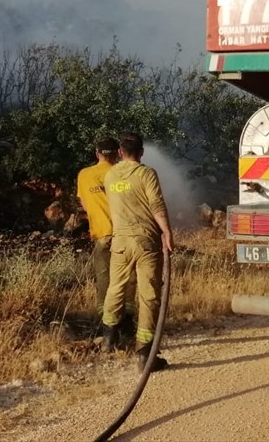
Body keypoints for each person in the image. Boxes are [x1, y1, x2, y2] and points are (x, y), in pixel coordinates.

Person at [99, 132, 174, 371]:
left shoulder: (110, 175)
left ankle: (108, 339)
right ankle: (144, 354)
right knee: (149, 295)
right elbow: (156, 205)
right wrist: (167, 232)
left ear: (120, 152)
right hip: (146, 242)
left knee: (116, 287)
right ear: (141, 152)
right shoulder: (147, 174)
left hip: (120, 242)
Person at [76, 137, 120, 315]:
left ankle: (105, 318)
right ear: (118, 153)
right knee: (125, 278)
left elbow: (85, 205)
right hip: (124, 234)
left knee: (103, 278)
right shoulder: (120, 172)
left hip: (101, 234)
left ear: (97, 154)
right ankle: (126, 318)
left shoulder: (84, 175)